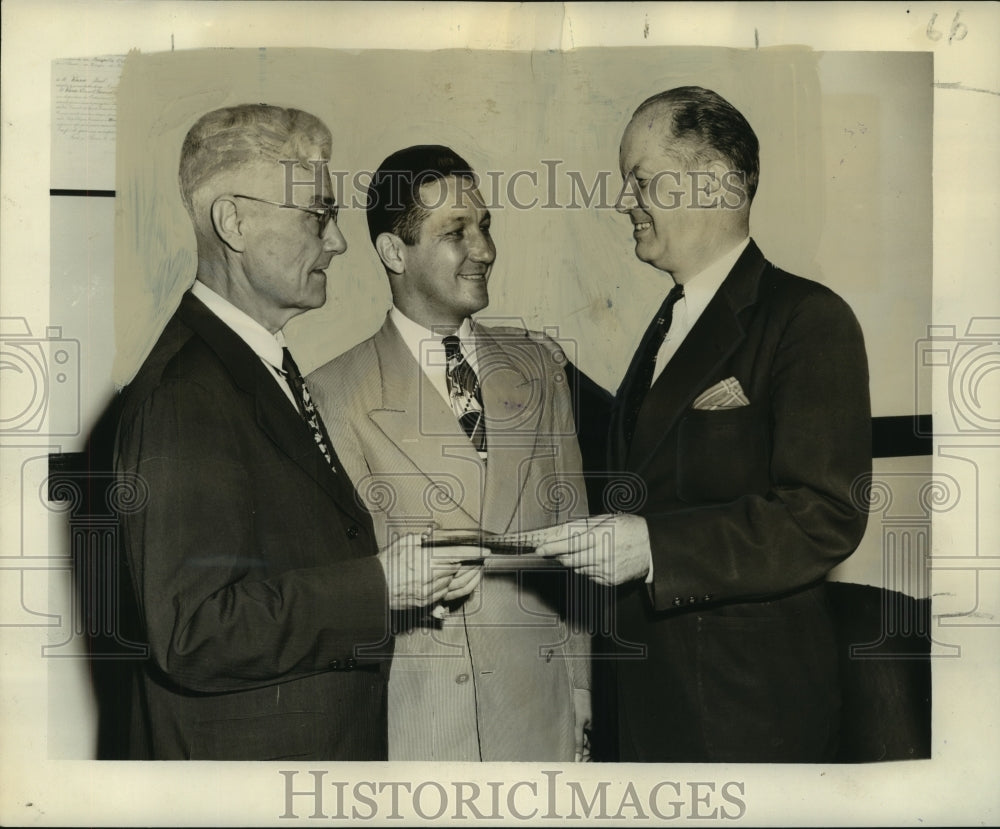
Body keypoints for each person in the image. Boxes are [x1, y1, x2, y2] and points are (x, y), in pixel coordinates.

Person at [113, 106, 481, 760]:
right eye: (318, 214)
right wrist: (380, 587)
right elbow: (191, 632)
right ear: (234, 222)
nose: (338, 241)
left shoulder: (255, 365)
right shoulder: (185, 393)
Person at [537, 86, 871, 762]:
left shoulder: (808, 318)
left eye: (641, 179)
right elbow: (659, 457)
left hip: (744, 716)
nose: (624, 200)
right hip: (649, 705)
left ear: (717, 181)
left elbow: (824, 513)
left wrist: (655, 547)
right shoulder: (671, 320)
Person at [308, 145, 592, 762]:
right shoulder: (331, 393)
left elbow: (576, 539)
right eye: (455, 232)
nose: (484, 249)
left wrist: (580, 690)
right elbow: (343, 587)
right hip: (422, 731)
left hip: (540, 721)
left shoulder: (538, 365)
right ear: (393, 252)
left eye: (484, 226)